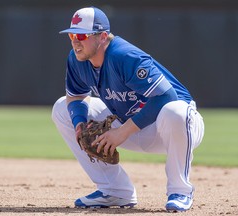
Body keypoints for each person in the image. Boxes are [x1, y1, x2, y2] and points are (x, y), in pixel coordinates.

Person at [52, 6, 204, 212]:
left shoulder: (125, 56)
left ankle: (180, 190)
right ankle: (114, 190)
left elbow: (166, 96)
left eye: (81, 35)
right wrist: (79, 123)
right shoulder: (77, 59)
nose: (75, 41)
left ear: (103, 36)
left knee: (176, 110)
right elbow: (77, 96)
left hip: (173, 128)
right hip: (130, 124)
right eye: (71, 35)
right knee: (62, 108)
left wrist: (121, 132)